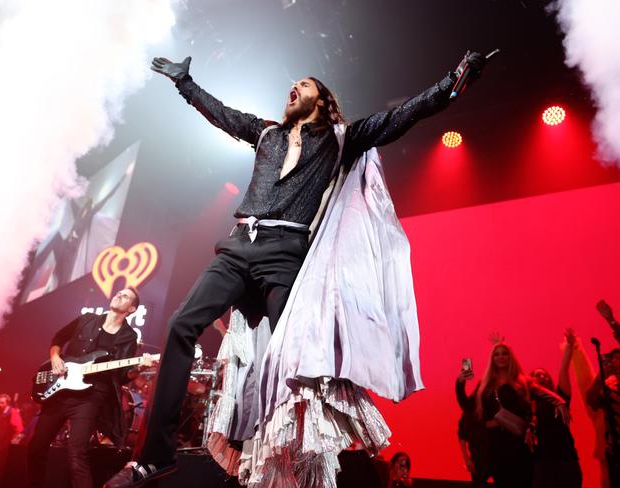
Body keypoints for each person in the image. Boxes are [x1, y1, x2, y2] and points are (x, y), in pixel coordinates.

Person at [106, 51, 487, 488]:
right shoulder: (266, 133)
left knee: (293, 360)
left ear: (323, 100)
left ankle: (283, 468)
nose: (294, 87)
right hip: (238, 247)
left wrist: (453, 81)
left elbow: (402, 116)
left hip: (285, 254)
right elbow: (223, 115)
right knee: (179, 325)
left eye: (304, 85)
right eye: (294, 84)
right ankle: (156, 457)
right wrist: (185, 84)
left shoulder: (342, 138)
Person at [26, 287, 150, 488]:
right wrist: (55, 357)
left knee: (77, 454)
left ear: (132, 308)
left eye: (125, 296)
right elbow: (58, 339)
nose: (119, 295)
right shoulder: (87, 319)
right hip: (60, 391)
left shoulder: (128, 336)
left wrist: (139, 368)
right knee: (36, 447)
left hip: (91, 396)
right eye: (119, 292)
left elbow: (122, 376)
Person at [458, 342, 568, 488]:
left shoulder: (522, 381)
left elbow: (542, 392)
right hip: (494, 443)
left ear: (510, 357)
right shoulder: (485, 385)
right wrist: (460, 382)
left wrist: (559, 402)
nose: (501, 357)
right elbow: (467, 406)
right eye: (496, 354)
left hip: (517, 442)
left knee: (521, 481)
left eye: (504, 353)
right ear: (492, 359)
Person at [529, 329, 582, 488]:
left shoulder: (560, 397)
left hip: (566, 457)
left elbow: (564, 369)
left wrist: (569, 346)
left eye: (545, 375)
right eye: (537, 375)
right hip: (542, 459)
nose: (542, 377)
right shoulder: (528, 401)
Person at [587, 300, 620, 488]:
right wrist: (600, 378)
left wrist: (611, 320)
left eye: (619, 357)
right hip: (614, 447)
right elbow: (592, 401)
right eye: (613, 359)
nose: (615, 361)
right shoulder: (608, 385)